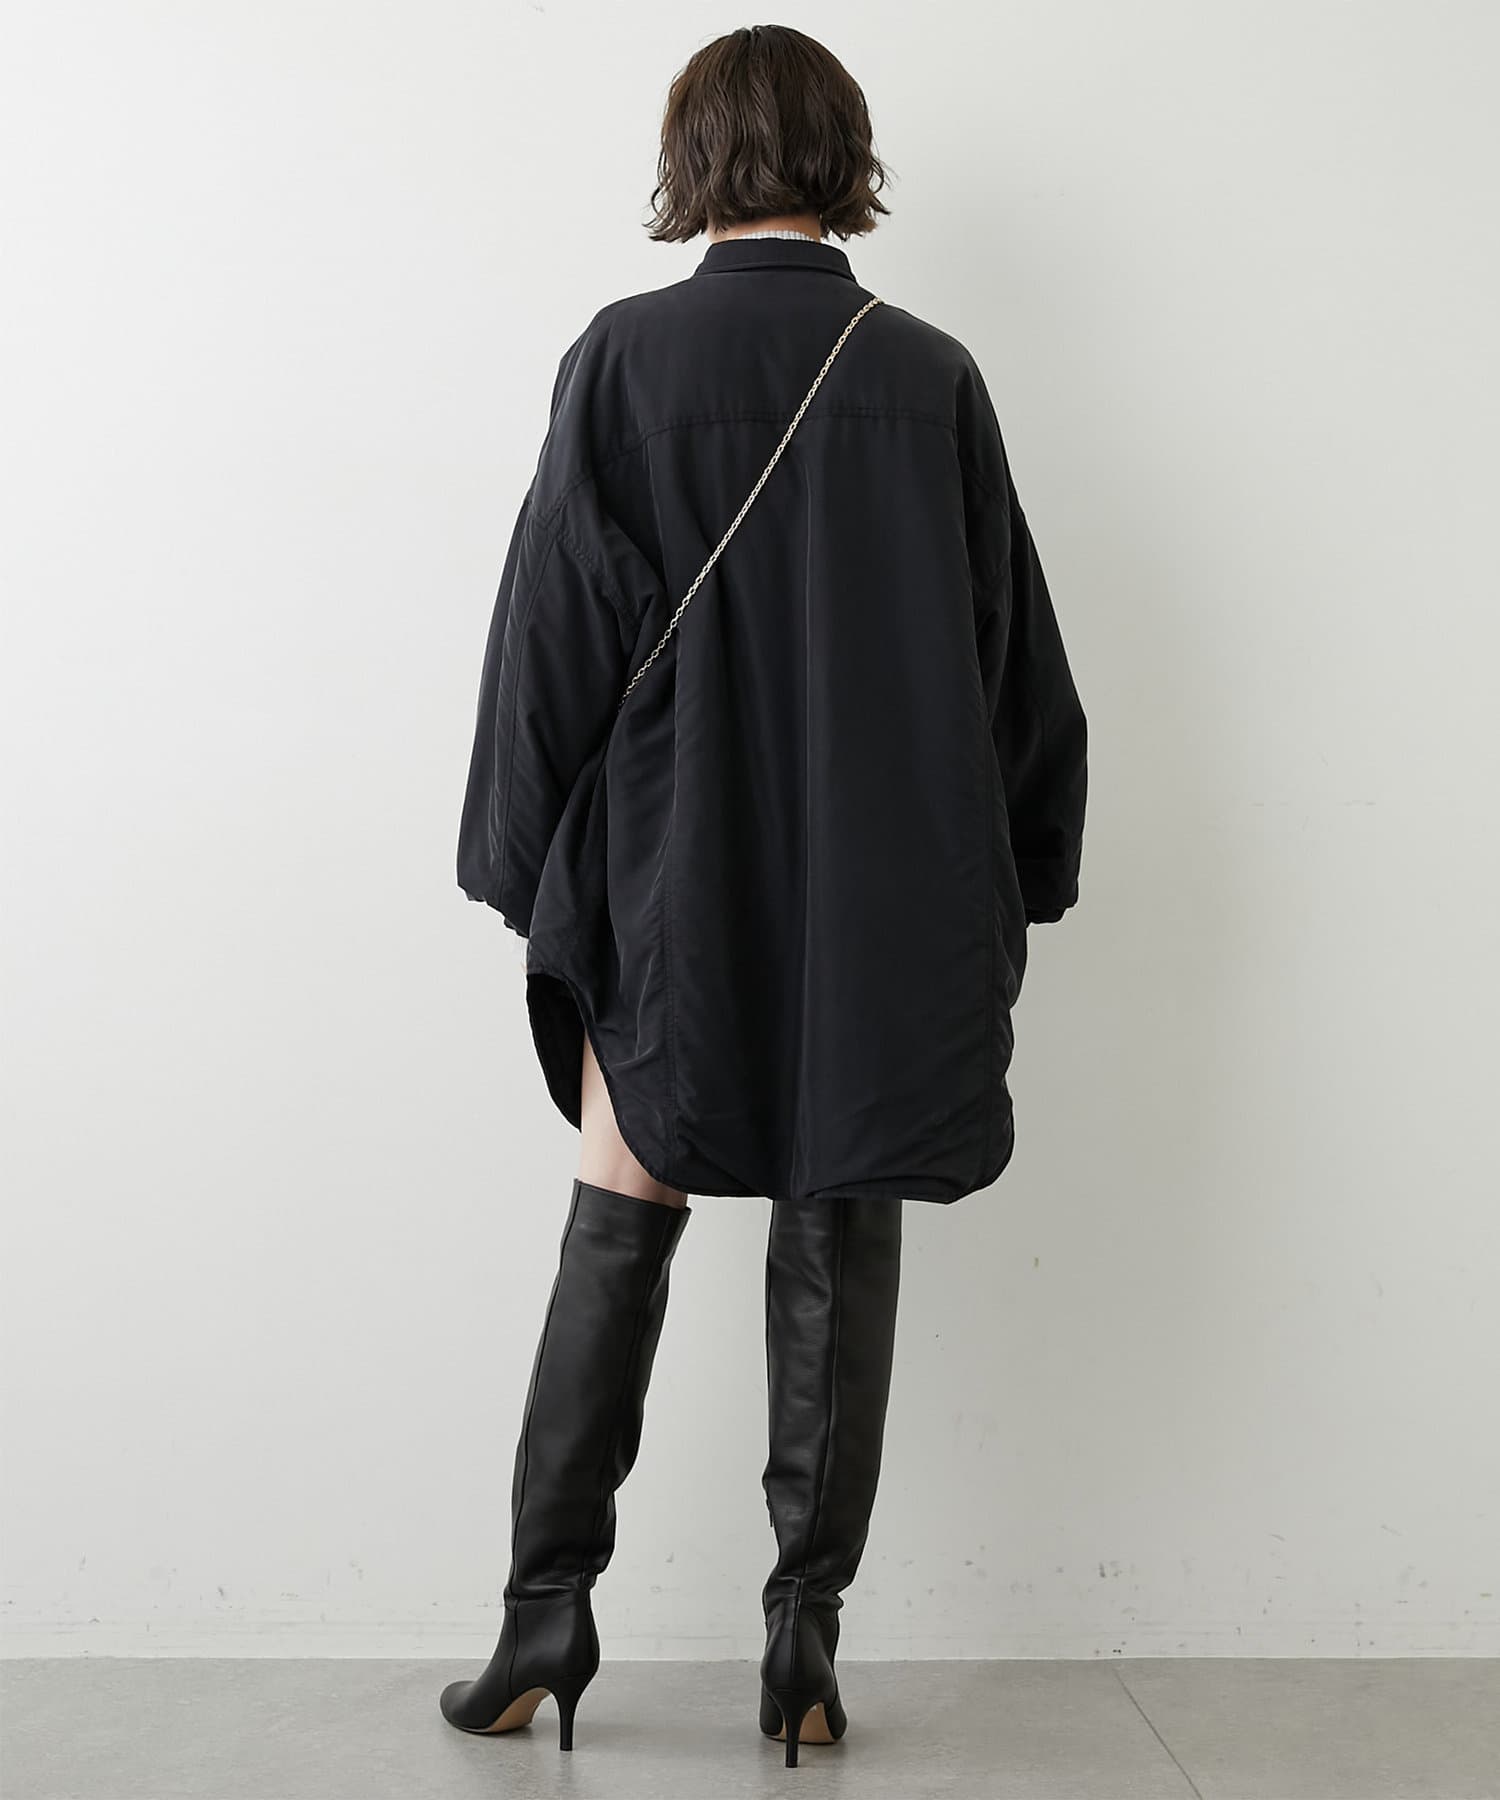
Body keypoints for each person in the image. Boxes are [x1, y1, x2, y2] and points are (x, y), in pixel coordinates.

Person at [438, 22, 1088, 1769]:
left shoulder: (622, 359)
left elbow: (549, 640)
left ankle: (540, 1621)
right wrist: (1025, 866)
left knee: (618, 1203)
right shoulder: (929, 375)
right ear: (842, 158)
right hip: (883, 891)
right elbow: (1012, 652)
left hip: (671, 876)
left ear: (697, 159)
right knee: (840, 1212)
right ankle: (803, 1648)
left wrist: (520, 863)